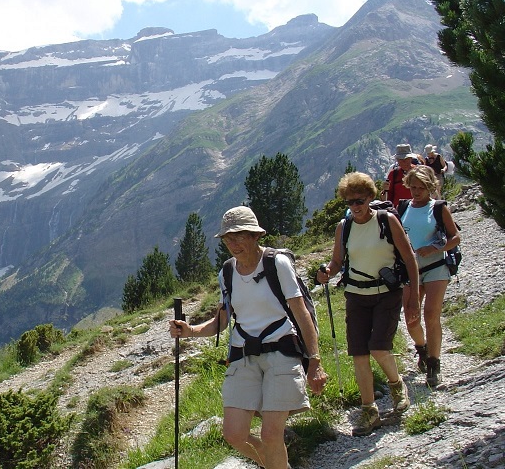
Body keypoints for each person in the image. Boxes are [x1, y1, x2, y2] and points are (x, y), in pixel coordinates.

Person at [169, 206, 326, 469]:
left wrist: (315, 362)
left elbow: (301, 315)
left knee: (270, 434)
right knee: (234, 434)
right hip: (243, 354)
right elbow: (223, 319)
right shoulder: (227, 273)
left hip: (282, 352)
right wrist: (191, 331)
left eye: (239, 236)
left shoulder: (277, 264)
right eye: (228, 238)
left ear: (255, 236)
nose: (233, 243)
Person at [317, 172, 420, 436]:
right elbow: (338, 262)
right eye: (350, 202)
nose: (355, 206)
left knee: (378, 348)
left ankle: (396, 385)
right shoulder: (345, 227)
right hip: (356, 295)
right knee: (359, 353)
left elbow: (409, 259)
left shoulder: (387, 221)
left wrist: (414, 299)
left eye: (359, 200)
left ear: (371, 197)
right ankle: (369, 410)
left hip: (387, 293)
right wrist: (328, 271)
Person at [400, 166, 460, 387]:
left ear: (430, 187)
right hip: (410, 269)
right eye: (413, 187)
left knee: (431, 314)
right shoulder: (404, 207)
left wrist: (435, 247)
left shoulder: (438, 208)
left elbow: (455, 237)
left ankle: (434, 363)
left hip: (435, 266)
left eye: (421, 188)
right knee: (410, 316)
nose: (416, 192)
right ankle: (422, 348)